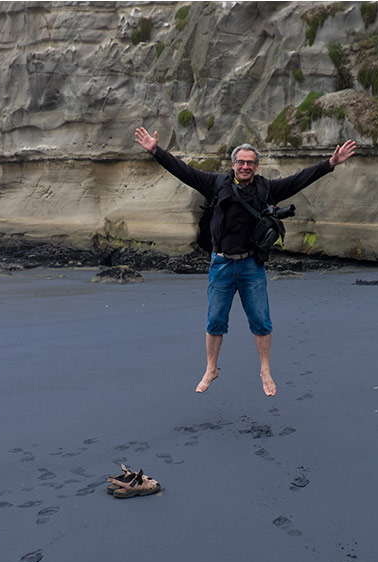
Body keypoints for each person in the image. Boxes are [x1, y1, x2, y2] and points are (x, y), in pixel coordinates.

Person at [135, 127, 356, 396]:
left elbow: (299, 180)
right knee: (215, 321)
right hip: (222, 264)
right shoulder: (216, 183)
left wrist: (330, 163)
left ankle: (265, 370)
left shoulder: (266, 189)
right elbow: (184, 171)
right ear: (233, 164)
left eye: (250, 162)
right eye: (241, 162)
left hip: (252, 265)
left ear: (256, 166)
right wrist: (157, 151)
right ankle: (211, 369)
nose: (245, 166)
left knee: (261, 322)